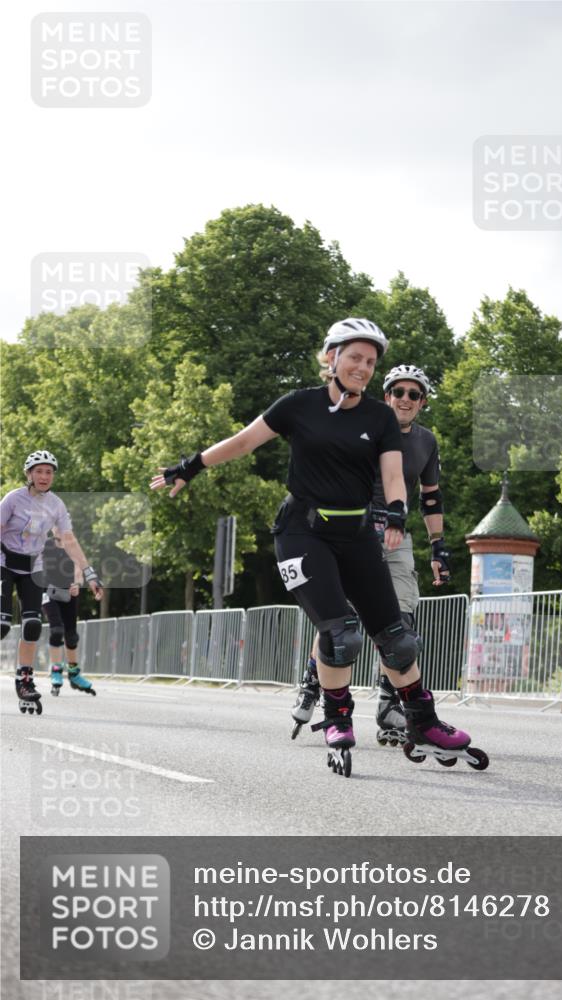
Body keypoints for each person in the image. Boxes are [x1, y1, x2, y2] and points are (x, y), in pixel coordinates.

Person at [150, 318, 473, 776]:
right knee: (341, 634)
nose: (362, 367)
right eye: (355, 357)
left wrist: (399, 510)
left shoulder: (380, 416)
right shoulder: (299, 405)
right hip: (302, 532)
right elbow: (244, 442)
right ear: (331, 357)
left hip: (357, 534)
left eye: (370, 361)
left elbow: (394, 475)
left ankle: (424, 720)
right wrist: (191, 465)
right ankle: (339, 719)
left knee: (397, 639)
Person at [291, 363, 452, 744]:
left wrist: (438, 547)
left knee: (401, 628)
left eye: (414, 394)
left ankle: (388, 704)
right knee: (340, 624)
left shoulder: (426, 442)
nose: (405, 400)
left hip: (396, 539)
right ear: (387, 396)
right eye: (399, 392)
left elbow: (431, 497)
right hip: (352, 534)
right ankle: (313, 683)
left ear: (422, 402)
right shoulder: (363, 428)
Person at [1, 451, 103, 713]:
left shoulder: (56, 505)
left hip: (32, 567)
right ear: (29, 474)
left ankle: (25, 681)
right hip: (4, 562)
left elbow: (68, 539)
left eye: (49, 472)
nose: (44, 476)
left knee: (32, 625)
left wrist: (88, 572)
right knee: (1, 624)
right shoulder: (13, 499)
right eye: (39, 471)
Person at [40, 532, 98, 696]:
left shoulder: (73, 545)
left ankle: (74, 673)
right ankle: (56, 670)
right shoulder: (46, 544)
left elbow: (79, 567)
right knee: (57, 630)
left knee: (71, 635)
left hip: (68, 593)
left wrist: (77, 583)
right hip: (48, 592)